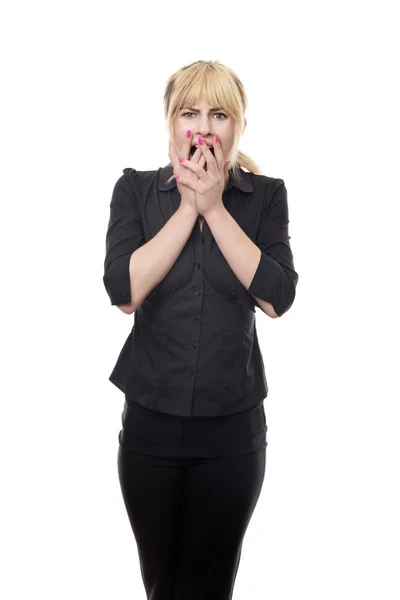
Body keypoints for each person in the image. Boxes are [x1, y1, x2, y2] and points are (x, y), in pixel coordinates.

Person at [102, 59, 299, 600]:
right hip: (150, 430)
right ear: (171, 125)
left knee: (210, 586)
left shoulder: (265, 197)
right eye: (190, 113)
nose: (205, 127)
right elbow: (124, 291)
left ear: (238, 126)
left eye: (220, 114)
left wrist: (214, 207)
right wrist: (189, 208)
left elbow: (277, 298)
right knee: (162, 585)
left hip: (231, 434)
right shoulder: (136, 192)